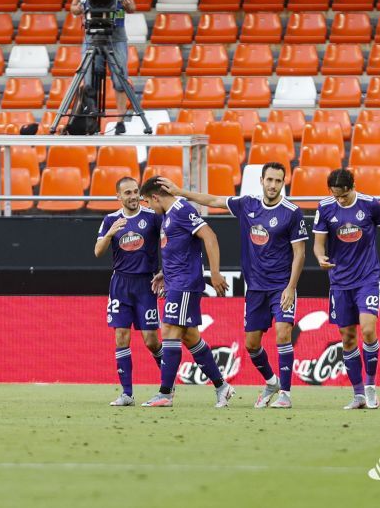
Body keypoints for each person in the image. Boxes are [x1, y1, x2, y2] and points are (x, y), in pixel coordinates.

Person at [158, 163, 307, 409]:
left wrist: (291, 287)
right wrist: (180, 191)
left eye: (278, 181)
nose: (272, 185)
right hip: (255, 288)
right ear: (261, 180)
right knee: (251, 344)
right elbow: (214, 200)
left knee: (283, 332)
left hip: (281, 286)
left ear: (284, 183)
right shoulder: (247, 204)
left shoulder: (292, 212)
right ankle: (271, 381)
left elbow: (299, 253)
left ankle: (285, 394)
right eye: (269, 180)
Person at [138, 176, 234, 408]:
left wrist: (216, 273)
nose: (149, 208)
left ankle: (165, 394)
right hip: (174, 281)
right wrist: (164, 272)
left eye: (148, 203)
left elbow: (209, 236)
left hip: (185, 283)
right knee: (190, 337)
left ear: (155, 197)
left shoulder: (181, 209)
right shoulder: (169, 215)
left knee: (169, 330)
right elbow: (177, 248)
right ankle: (222, 387)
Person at [313, 169, 380, 410]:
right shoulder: (325, 208)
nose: (339, 200)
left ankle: (371, 386)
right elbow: (318, 245)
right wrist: (320, 258)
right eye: (335, 195)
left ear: (352, 187)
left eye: (343, 195)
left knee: (369, 329)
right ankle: (358, 394)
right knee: (348, 337)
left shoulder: (370, 205)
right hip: (339, 282)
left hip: (367, 278)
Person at [94, 177, 163, 406]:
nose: (133, 196)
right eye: (127, 193)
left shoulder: (152, 217)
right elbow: (97, 251)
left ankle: (167, 383)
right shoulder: (110, 220)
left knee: (151, 340)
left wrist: (165, 272)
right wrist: (110, 233)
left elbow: (170, 240)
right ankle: (127, 394)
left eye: (135, 192)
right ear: (119, 197)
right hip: (121, 285)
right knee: (121, 337)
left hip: (146, 284)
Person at [70, 0, 136, 134]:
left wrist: (122, 0)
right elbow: (73, 8)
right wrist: (81, 6)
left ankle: (121, 122)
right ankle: (89, 119)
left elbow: (133, 7)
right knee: (88, 80)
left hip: (116, 35)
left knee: (120, 78)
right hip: (91, 36)